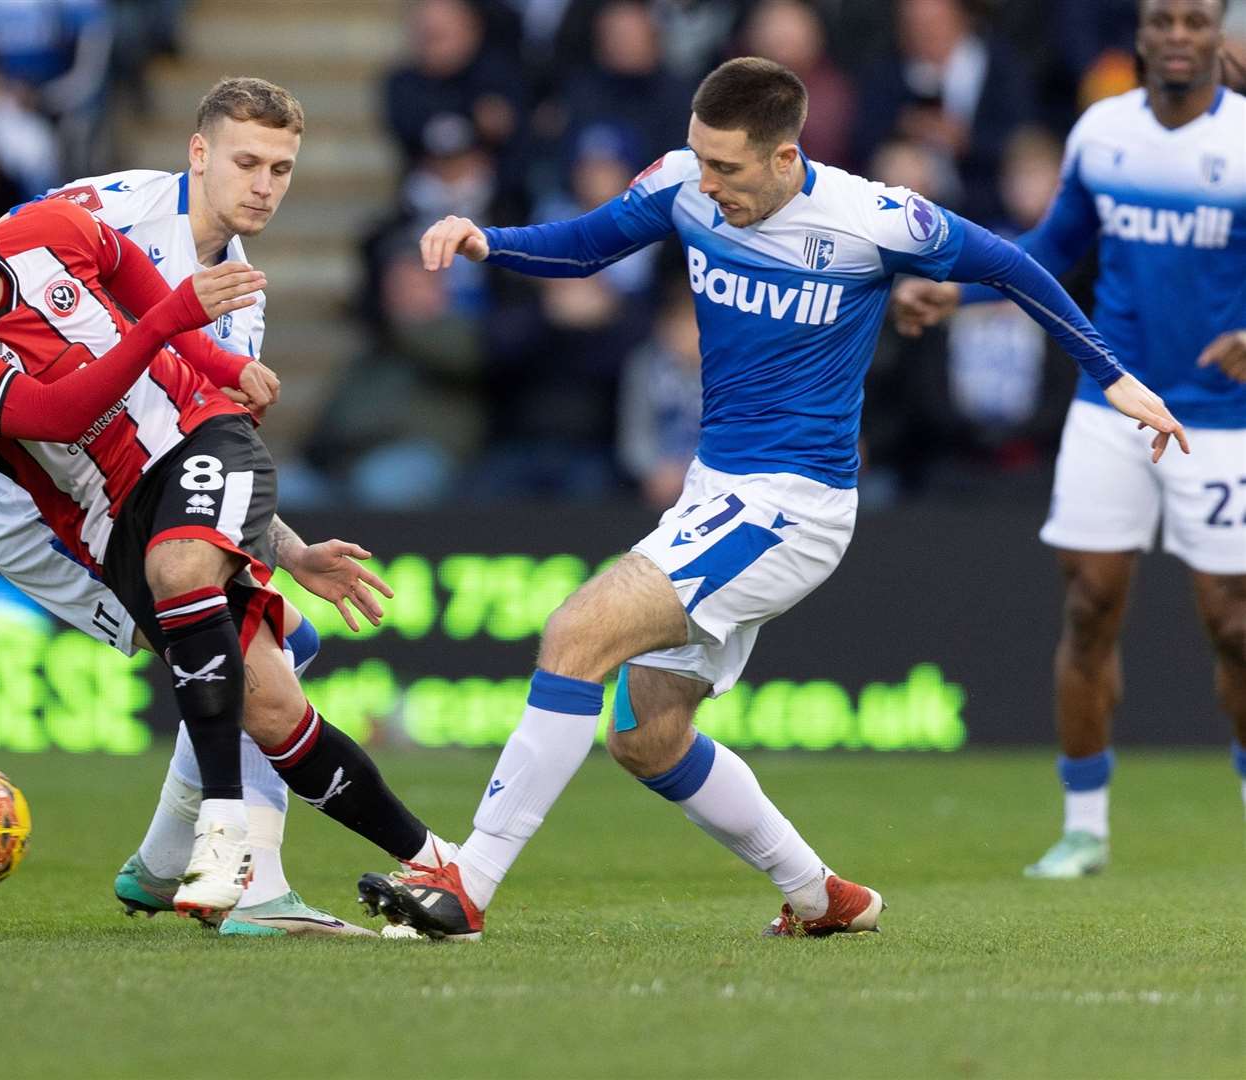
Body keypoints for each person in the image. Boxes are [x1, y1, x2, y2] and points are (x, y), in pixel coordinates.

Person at [358, 56, 1187, 942]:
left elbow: (1013, 266)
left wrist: (1116, 378)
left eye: (728, 169)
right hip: (717, 496)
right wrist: (490, 240)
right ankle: (819, 895)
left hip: (793, 506)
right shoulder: (685, 181)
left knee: (576, 632)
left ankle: (467, 880)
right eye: (699, 159)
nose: (707, 185)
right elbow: (590, 242)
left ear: (786, 156)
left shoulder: (871, 217)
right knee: (645, 734)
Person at [0, 78, 394, 937]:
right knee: (244, 648)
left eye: (281, 168)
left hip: (137, 483)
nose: (263, 184)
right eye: (245, 162)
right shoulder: (115, 208)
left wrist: (291, 552)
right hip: (47, 507)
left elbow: (194, 429)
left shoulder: (241, 296)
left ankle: (165, 870)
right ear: (198, 154)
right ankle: (245, 885)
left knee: (267, 643)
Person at [0, 183, 456, 923]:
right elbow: (61, 414)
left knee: (180, 570)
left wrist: (216, 361)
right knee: (270, 706)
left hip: (197, 430)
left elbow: (131, 277)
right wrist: (171, 318)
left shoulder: (55, 227)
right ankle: (446, 867)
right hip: (109, 518)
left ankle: (224, 833)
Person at [892, 0, 1246, 878]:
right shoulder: (1101, 132)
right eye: (1161, 19)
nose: (1176, 35)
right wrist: (958, 291)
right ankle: (1084, 824)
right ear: (1141, 34)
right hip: (1113, 401)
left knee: (1234, 625)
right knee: (1089, 606)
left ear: (1219, 37)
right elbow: (1053, 247)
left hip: (1219, 416)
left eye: (1194, 22)